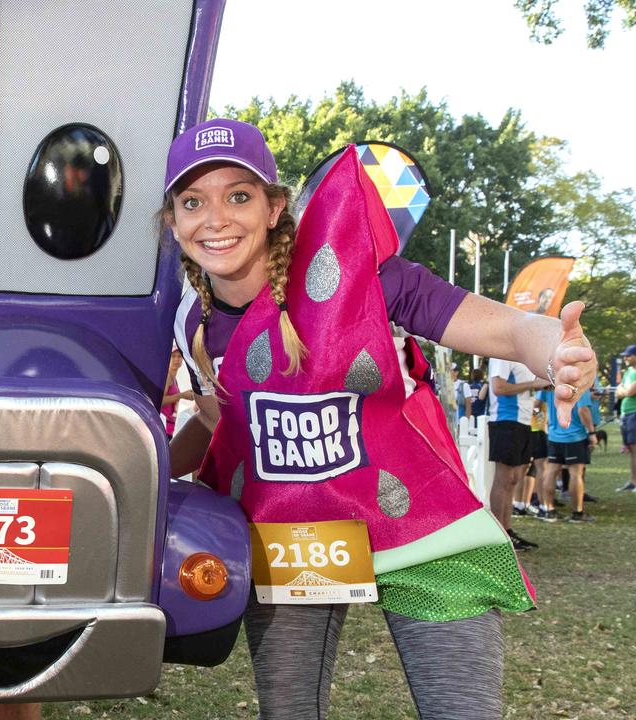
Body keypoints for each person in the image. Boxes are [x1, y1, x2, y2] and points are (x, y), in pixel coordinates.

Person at [164, 118, 596, 720]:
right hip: (296, 536)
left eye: (239, 195)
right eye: (192, 202)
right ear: (173, 221)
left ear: (274, 207)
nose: (216, 218)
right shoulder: (192, 321)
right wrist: (143, 470)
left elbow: (503, 326)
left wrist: (555, 350)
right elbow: (217, 422)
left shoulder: (361, 275)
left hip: (421, 524)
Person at [487, 356, 552, 545]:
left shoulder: (525, 359)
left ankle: (507, 532)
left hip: (524, 421)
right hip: (505, 420)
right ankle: (499, 537)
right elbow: (498, 387)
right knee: (504, 479)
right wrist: (533, 384)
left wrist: (538, 385)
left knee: (514, 479)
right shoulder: (502, 355)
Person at [536, 383, 598, 522]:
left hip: (553, 435)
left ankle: (549, 509)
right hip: (575, 435)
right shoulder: (579, 384)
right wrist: (592, 432)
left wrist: (539, 420)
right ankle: (577, 512)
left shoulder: (550, 383)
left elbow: (537, 403)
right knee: (576, 474)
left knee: (551, 471)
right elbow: (583, 410)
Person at [615, 344, 636, 492]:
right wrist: (624, 391)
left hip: (634, 414)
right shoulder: (628, 371)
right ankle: (633, 481)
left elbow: (629, 392)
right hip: (625, 414)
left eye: (628, 355)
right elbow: (619, 390)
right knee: (631, 450)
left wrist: (623, 391)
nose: (626, 358)